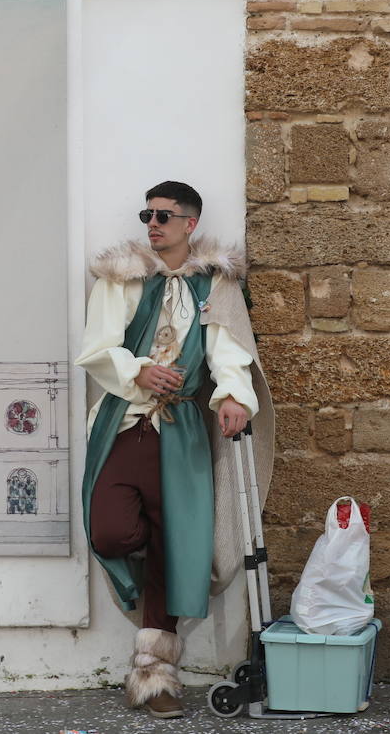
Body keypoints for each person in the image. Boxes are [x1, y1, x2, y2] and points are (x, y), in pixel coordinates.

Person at [77, 180, 275, 719]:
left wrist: (235, 396)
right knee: (112, 530)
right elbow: (96, 348)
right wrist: (138, 368)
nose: (153, 224)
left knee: (175, 538)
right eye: (147, 215)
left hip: (184, 427)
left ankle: (155, 676)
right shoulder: (120, 279)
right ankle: (157, 560)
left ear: (190, 223)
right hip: (125, 423)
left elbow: (228, 347)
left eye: (165, 216)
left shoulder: (216, 284)